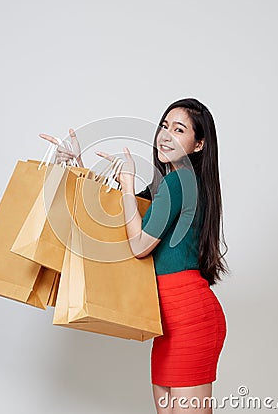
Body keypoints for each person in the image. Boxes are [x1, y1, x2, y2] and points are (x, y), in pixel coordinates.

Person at [40, 97, 229, 413]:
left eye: (179, 130)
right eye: (164, 126)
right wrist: (78, 163)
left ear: (198, 145)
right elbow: (117, 219)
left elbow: (139, 245)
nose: (165, 135)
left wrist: (127, 182)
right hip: (167, 321)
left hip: (189, 317)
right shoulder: (168, 186)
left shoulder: (179, 181)